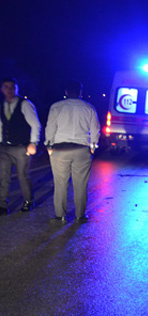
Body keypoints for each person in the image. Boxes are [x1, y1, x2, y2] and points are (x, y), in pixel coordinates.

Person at [45, 80, 100, 223]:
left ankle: (60, 216)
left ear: (66, 91)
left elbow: (50, 127)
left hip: (60, 149)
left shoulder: (56, 107)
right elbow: (95, 129)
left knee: (60, 184)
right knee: (81, 184)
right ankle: (80, 216)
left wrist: (49, 145)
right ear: (80, 92)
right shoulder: (89, 108)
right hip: (82, 149)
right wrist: (93, 146)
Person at [0, 78, 41, 215]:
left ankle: (28, 201)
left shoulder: (25, 104)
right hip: (4, 147)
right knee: (3, 176)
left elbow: (35, 124)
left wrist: (33, 143)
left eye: (12, 87)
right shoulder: (1, 105)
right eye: (6, 87)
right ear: (2, 89)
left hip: (21, 147)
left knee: (22, 176)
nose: (9, 90)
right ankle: (2, 205)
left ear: (17, 89)